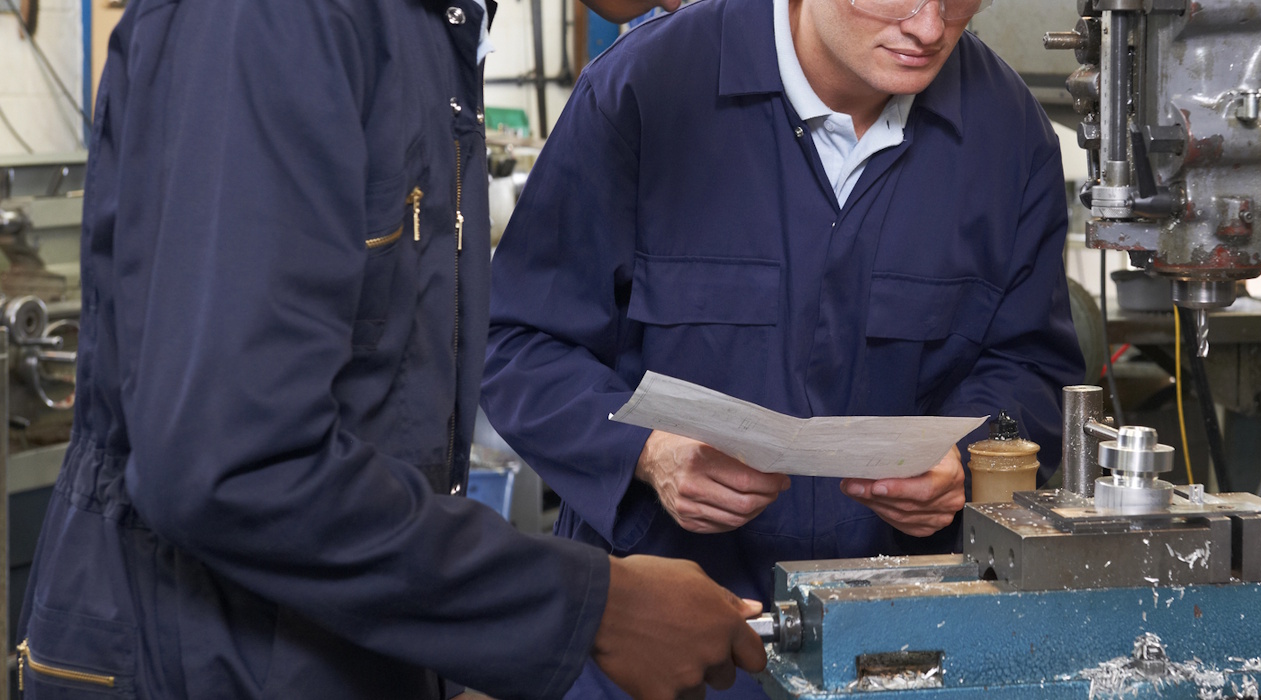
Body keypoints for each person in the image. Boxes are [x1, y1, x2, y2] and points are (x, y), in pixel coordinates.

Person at [19, 0, 763, 697]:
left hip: (338, 643)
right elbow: (234, 464)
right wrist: (595, 605)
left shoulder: (426, 32)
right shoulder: (279, 20)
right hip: (205, 656)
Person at [482, 0, 1085, 695]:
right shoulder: (646, 88)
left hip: (901, 650)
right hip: (663, 649)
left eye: (958, 1)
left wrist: (968, 459)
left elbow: (1032, 366)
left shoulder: (1007, 133)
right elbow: (521, 340)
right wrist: (649, 454)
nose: (929, 27)